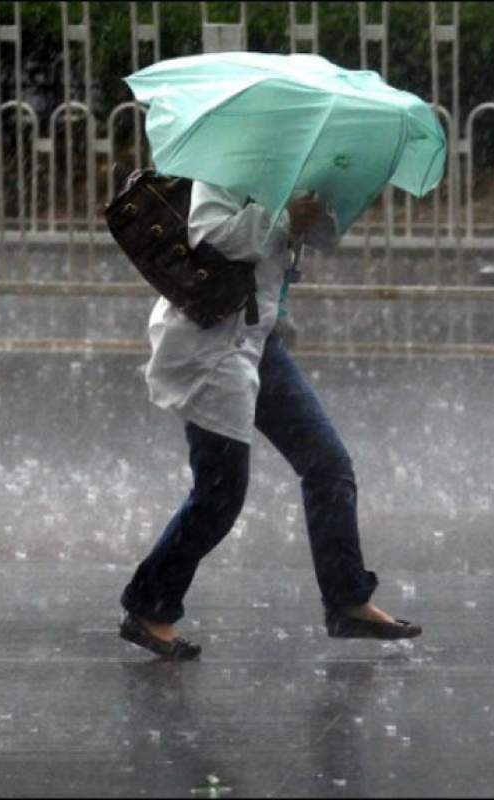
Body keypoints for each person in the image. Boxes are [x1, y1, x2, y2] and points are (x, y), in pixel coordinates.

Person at [118, 180, 421, 660]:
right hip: (212, 343)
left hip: (258, 341)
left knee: (327, 464)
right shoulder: (224, 162)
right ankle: (149, 607)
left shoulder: (291, 165)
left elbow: (306, 245)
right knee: (220, 493)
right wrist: (281, 220)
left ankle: (347, 600)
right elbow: (208, 233)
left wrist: (316, 217)